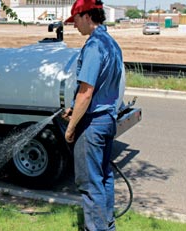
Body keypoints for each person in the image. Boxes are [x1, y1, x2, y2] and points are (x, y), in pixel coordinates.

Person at [62, 0, 125, 230]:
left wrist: (71, 128)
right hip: (108, 120)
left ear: (87, 16)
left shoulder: (94, 46)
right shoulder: (112, 44)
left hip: (93, 125)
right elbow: (105, 87)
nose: (74, 26)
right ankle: (107, 224)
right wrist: (73, 107)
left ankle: (97, 228)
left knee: (89, 183)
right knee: (104, 177)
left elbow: (86, 92)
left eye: (76, 20)